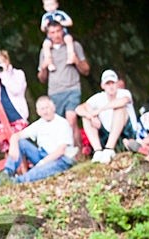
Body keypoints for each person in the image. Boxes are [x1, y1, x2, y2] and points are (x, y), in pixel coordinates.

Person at [37, 20, 90, 148]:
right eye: (52, 32)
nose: (56, 35)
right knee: (61, 125)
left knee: (71, 120)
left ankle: (78, 154)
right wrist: (43, 67)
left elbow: (86, 70)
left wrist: (76, 61)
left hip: (72, 88)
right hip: (55, 92)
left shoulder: (74, 46)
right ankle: (68, 154)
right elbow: (42, 79)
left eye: (58, 31)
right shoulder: (45, 51)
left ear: (63, 31)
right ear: (48, 34)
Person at [2, 96, 77, 184]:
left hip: (60, 159)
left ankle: (16, 181)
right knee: (20, 143)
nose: (45, 112)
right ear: (38, 112)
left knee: (37, 172)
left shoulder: (62, 123)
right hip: (42, 155)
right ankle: (7, 173)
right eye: (42, 109)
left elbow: (61, 151)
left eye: (47, 108)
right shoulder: (39, 124)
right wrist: (13, 145)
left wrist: (42, 163)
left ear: (53, 107)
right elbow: (17, 136)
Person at [75, 69, 139, 164]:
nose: (111, 86)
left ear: (117, 84)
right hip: (107, 134)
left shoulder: (124, 93)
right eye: (108, 84)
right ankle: (98, 151)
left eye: (113, 83)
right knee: (86, 118)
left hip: (126, 133)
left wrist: (99, 110)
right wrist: (91, 116)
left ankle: (110, 148)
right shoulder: (98, 97)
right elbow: (79, 109)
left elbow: (122, 101)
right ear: (102, 86)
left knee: (119, 109)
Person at [0, 50, 29, 152]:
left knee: (22, 146)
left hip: (17, 115)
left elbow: (16, 90)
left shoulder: (18, 74)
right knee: (7, 149)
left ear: (7, 61)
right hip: (1, 118)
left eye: (0, 63)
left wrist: (4, 74)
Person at [40, 0, 76, 72]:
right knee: (45, 45)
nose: (50, 7)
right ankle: (49, 62)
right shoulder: (45, 16)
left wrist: (61, 22)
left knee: (69, 39)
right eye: (47, 5)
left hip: (63, 34)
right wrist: (44, 25)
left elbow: (70, 22)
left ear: (57, 4)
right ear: (44, 7)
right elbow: (42, 29)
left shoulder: (61, 13)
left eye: (52, 4)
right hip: (50, 37)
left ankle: (71, 56)